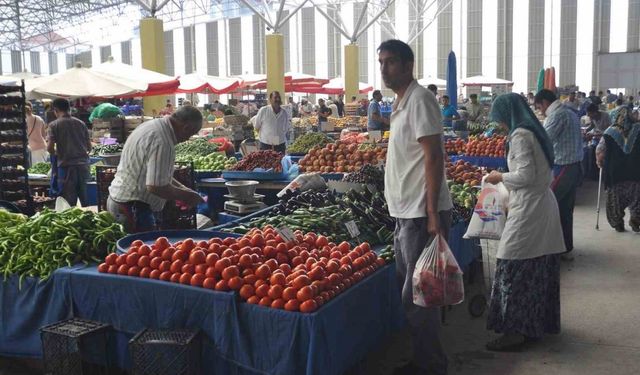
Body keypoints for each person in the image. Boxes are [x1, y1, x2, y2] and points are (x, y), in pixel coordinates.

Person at [378, 39, 452, 375]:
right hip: (405, 213)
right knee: (414, 295)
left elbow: (433, 156)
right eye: (381, 62)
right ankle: (424, 360)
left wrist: (433, 213)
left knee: (420, 297)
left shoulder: (420, 100)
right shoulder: (401, 103)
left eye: (391, 62)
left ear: (408, 65)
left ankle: (431, 366)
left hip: (421, 215)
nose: (384, 68)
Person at [483, 93, 565, 351]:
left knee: (511, 263)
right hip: (540, 203)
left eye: (500, 119)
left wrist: (500, 176)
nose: (500, 125)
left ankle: (515, 331)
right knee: (536, 264)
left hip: (531, 208)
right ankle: (535, 323)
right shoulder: (532, 129)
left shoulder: (519, 135)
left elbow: (526, 174)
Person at [107, 106, 204, 233]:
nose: (187, 139)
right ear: (186, 128)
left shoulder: (152, 126)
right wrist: (187, 196)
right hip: (132, 208)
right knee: (138, 250)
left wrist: (185, 190)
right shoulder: (163, 140)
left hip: (119, 201)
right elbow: (156, 186)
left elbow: (159, 175)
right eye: (190, 134)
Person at [535, 89, 583, 261]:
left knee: (547, 206)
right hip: (574, 166)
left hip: (563, 167)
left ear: (545, 102)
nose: (540, 111)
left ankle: (548, 250)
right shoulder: (570, 113)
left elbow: (543, 140)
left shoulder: (557, 115)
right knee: (564, 209)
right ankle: (565, 248)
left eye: (539, 107)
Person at [596, 106, 640, 232]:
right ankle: (636, 220)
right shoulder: (638, 128)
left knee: (615, 200)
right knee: (637, 198)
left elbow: (600, 151)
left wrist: (599, 162)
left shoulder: (609, 132)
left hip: (615, 173)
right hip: (636, 171)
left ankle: (617, 223)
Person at [47, 98, 91, 207]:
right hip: (83, 167)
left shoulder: (54, 125)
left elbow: (49, 148)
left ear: (56, 110)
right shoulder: (81, 123)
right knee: (87, 203)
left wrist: (57, 153)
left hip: (66, 169)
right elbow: (89, 147)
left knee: (68, 205)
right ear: (69, 108)